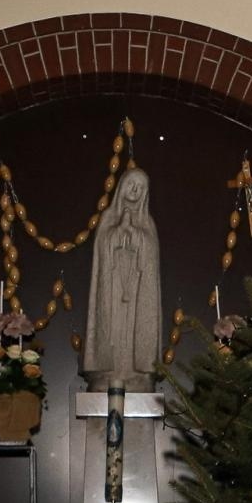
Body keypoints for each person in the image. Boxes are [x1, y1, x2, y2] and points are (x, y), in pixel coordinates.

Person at [82, 166, 162, 392]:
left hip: (137, 288)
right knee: (113, 329)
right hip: (113, 285)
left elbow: (151, 255)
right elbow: (102, 247)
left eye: (140, 188)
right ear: (122, 187)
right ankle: (109, 374)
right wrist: (117, 235)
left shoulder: (148, 222)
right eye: (131, 185)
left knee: (134, 330)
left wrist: (136, 236)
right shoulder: (108, 217)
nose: (135, 191)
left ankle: (136, 375)